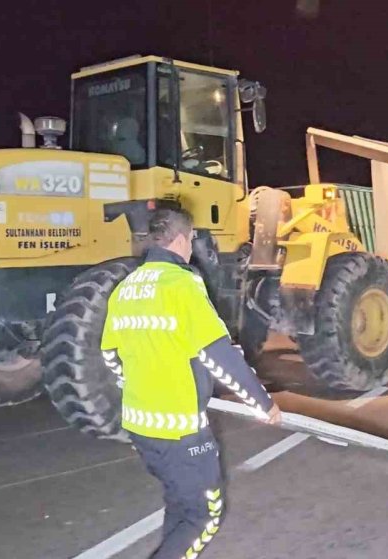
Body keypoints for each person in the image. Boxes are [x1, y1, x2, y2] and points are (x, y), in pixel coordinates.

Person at [100, 207, 281, 559]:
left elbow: (110, 355)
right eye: (192, 239)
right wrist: (262, 404)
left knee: (181, 504)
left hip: (140, 425)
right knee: (204, 516)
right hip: (180, 429)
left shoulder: (125, 287)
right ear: (182, 239)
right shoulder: (181, 283)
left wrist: (140, 386)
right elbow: (217, 353)